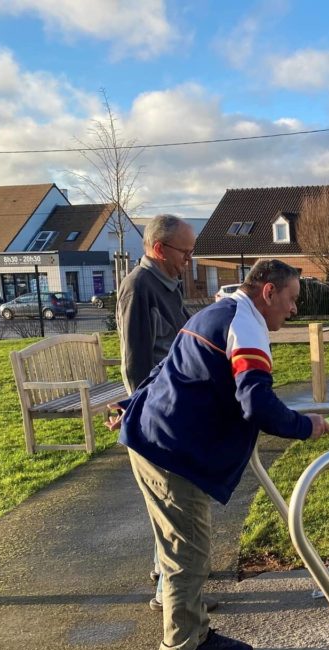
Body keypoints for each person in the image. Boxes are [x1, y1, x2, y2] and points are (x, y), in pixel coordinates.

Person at [115, 258, 329, 650]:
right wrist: (306, 426)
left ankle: (198, 638)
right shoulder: (246, 324)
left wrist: (131, 404)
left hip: (158, 440)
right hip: (170, 453)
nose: (294, 309)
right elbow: (256, 403)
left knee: (187, 555)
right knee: (186, 562)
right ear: (268, 291)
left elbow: (169, 367)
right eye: (292, 298)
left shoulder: (219, 311)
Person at [115, 214, 219, 613]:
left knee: (171, 509)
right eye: (185, 252)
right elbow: (135, 362)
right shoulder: (139, 287)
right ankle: (169, 594)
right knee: (176, 508)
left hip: (178, 408)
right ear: (159, 249)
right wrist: (141, 414)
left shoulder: (168, 284)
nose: (189, 261)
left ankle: (164, 573)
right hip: (160, 418)